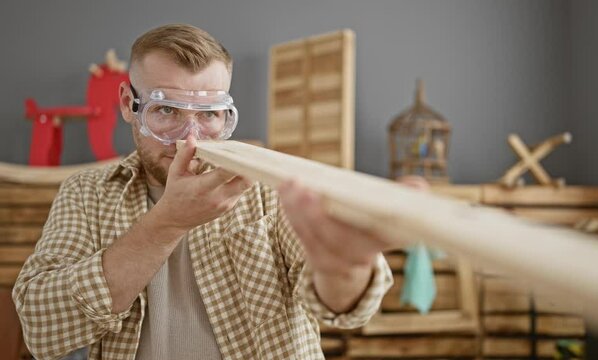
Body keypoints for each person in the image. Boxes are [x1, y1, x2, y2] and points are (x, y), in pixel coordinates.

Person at [12, 24, 393, 360]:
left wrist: (345, 270)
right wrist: (167, 223)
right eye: (166, 112)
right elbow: (41, 328)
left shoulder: (265, 185)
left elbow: (343, 309)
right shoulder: (86, 193)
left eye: (209, 115)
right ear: (129, 104)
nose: (189, 140)